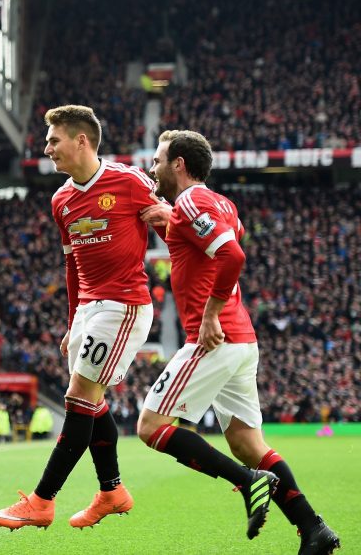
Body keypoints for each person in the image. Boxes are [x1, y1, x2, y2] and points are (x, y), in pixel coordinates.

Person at [136, 130, 340, 551]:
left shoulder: (191, 201)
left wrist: (210, 314)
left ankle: (248, 483)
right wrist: (169, 226)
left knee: (150, 427)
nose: (152, 167)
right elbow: (208, 254)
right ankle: (313, 528)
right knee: (248, 444)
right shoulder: (218, 203)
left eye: (158, 160)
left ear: (178, 164)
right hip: (241, 340)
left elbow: (233, 257)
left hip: (214, 337)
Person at [0, 105, 157, 531]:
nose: (46, 148)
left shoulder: (131, 182)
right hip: (88, 310)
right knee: (92, 403)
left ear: (81, 140)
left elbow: (175, 224)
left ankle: (42, 501)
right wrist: (72, 321)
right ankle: (112, 491)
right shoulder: (61, 199)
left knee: (77, 400)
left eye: (53, 140)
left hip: (123, 306)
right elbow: (71, 267)